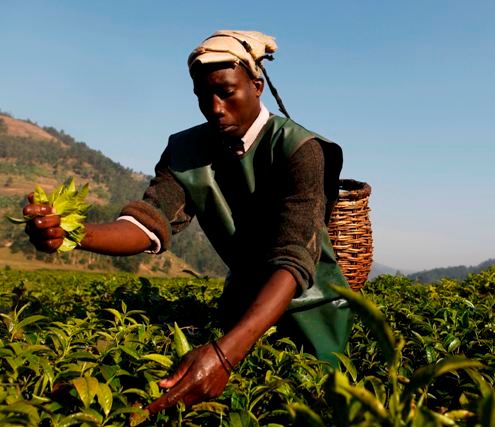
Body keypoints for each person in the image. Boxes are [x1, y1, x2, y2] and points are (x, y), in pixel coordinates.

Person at [23, 30, 353, 414]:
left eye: (227, 92)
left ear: (257, 85)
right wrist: (73, 233)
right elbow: (148, 223)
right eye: (203, 96)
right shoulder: (187, 149)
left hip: (311, 310)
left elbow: (293, 258)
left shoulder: (300, 149)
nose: (215, 107)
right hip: (242, 307)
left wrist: (224, 356)